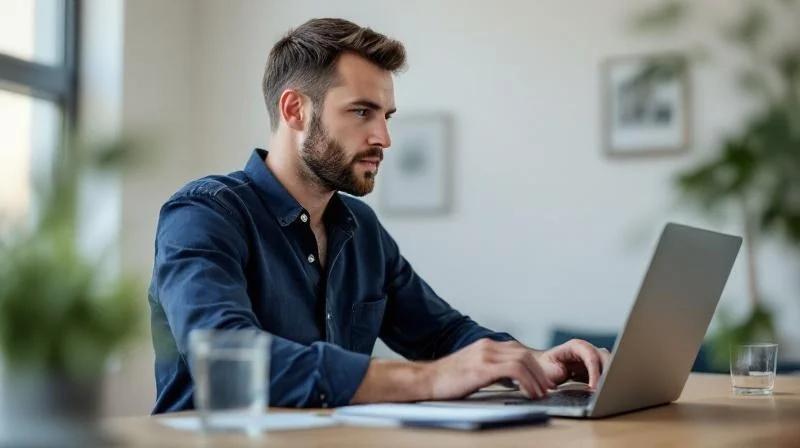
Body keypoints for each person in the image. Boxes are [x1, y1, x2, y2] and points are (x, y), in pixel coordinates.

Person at [148, 17, 610, 414]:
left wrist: (534, 359)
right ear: (295, 110)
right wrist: (428, 380)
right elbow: (225, 353)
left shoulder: (359, 227)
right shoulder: (204, 213)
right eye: (362, 112)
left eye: (386, 115)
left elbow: (442, 334)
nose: (384, 137)